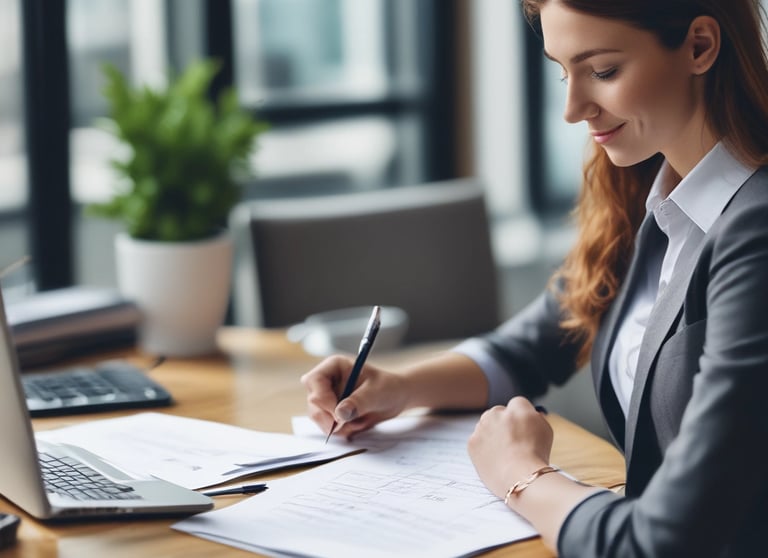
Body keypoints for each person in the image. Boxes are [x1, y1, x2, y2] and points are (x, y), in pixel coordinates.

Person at [301, 0, 768, 555]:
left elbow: (666, 541)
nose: (572, 108)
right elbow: (532, 345)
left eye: (603, 71)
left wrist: (521, 475)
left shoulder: (754, 230)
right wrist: (401, 387)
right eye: (563, 70)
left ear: (699, 47)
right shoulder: (650, 183)